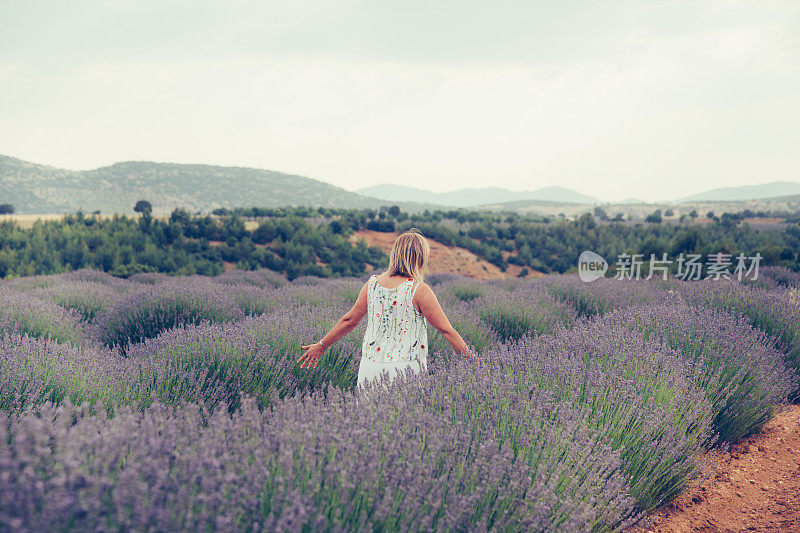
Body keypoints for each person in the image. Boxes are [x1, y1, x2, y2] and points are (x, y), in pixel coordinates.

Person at [297, 229, 471, 387]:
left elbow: (349, 321)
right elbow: (446, 331)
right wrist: (473, 362)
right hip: (406, 369)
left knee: (369, 419)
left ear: (394, 255)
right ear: (421, 258)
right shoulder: (419, 290)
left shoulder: (372, 284)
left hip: (370, 367)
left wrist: (321, 345)